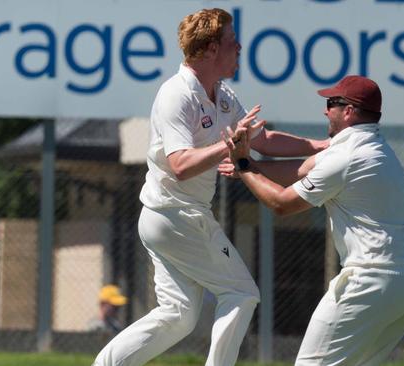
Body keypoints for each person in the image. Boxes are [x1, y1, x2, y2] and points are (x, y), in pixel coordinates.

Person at [93, 8, 327, 366]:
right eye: (233, 42)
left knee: (178, 315)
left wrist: (320, 146)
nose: (240, 47)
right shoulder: (177, 95)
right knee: (242, 293)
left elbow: (263, 140)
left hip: (170, 218)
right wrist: (230, 143)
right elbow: (180, 165)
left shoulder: (222, 94)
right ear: (212, 48)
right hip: (176, 216)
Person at [221, 75, 404, 365]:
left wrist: (244, 165)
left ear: (349, 111)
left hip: (369, 282)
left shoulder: (346, 156)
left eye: (331, 103)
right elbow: (303, 169)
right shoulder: (375, 146)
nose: (324, 110)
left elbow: (282, 204)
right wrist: (252, 166)